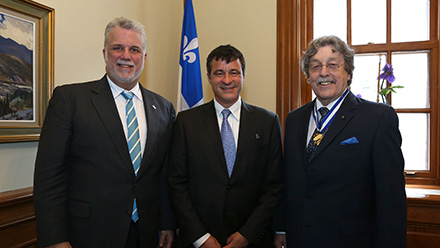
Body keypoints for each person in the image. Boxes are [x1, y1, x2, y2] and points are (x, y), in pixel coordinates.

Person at [33, 17, 176, 248]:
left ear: (144, 57)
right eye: (118, 48)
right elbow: (49, 177)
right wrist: (55, 239)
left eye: (135, 49)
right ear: (105, 53)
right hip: (88, 234)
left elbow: (165, 173)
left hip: (147, 234)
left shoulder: (163, 108)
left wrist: (168, 222)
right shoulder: (70, 100)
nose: (126, 56)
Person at [274, 35, 407, 248]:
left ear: (348, 72)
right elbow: (289, 181)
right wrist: (281, 228)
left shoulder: (378, 118)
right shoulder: (294, 119)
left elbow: (391, 201)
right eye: (316, 66)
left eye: (333, 65)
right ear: (308, 75)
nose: (324, 73)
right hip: (300, 239)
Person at [167, 44, 283, 248]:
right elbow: (176, 184)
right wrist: (201, 237)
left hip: (253, 240)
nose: (227, 80)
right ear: (209, 77)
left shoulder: (268, 122)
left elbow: (273, 186)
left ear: (243, 76)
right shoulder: (186, 122)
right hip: (199, 239)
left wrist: (247, 234)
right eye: (219, 73)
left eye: (234, 73)